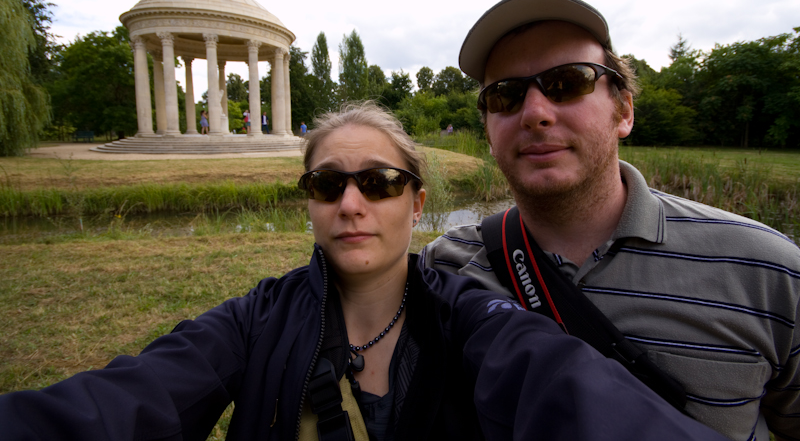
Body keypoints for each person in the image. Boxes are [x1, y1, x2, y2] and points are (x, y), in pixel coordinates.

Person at [0, 103, 727, 441]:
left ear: (416, 204)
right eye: (327, 184)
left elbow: (570, 390)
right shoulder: (256, 319)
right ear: (308, 205)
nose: (351, 203)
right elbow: (128, 401)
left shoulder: (469, 318)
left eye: (378, 182)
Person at [420, 0, 800, 441]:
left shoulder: (767, 272)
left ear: (623, 111)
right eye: (506, 95)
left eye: (567, 82)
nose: (535, 113)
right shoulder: (443, 268)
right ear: (487, 130)